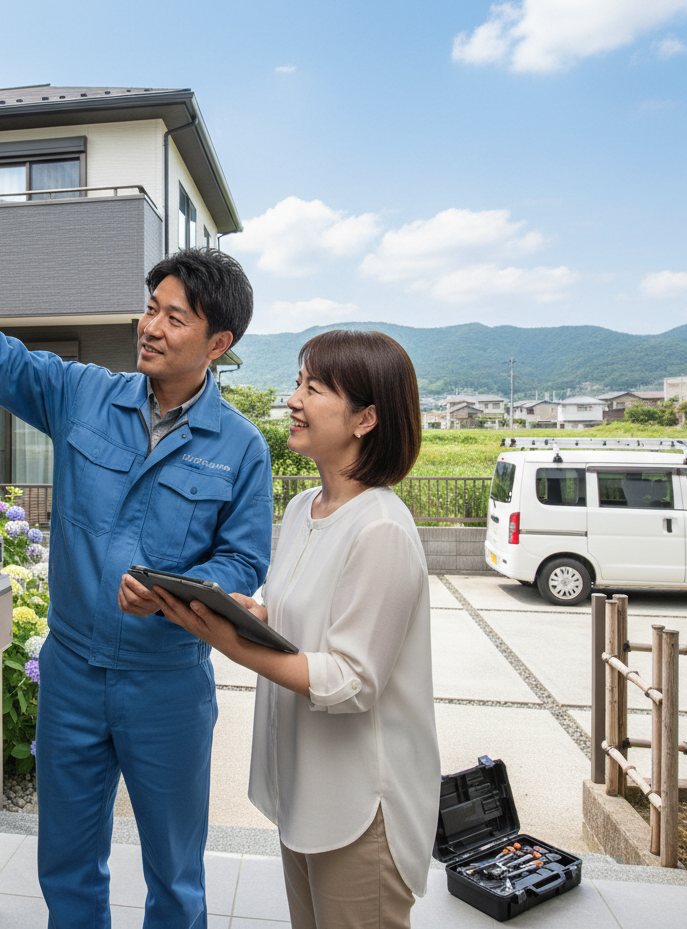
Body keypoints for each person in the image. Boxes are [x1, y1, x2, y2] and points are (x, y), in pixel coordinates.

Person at [0, 168, 273, 928]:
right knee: (68, 870)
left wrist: (180, 586)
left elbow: (244, 562)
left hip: (170, 686)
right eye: (150, 309)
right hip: (75, 674)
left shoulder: (242, 448)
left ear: (219, 342)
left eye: (173, 318)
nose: (149, 326)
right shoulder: (84, 393)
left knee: (176, 877)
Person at [147, 329, 440, 929]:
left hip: (363, 805)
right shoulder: (304, 507)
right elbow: (295, 620)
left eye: (315, 388)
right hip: (308, 790)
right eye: (298, 383)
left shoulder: (381, 527)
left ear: (366, 419)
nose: (294, 399)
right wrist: (240, 614)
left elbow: (352, 679)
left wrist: (230, 644)